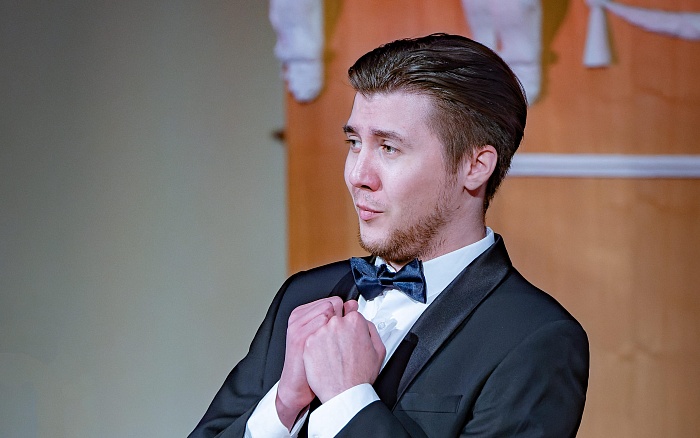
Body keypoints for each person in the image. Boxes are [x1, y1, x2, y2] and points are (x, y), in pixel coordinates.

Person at [189, 33, 589, 438]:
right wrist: (283, 405)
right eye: (354, 142)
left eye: (388, 148)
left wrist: (348, 401)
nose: (357, 176)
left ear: (475, 166)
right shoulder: (303, 294)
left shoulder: (535, 337)